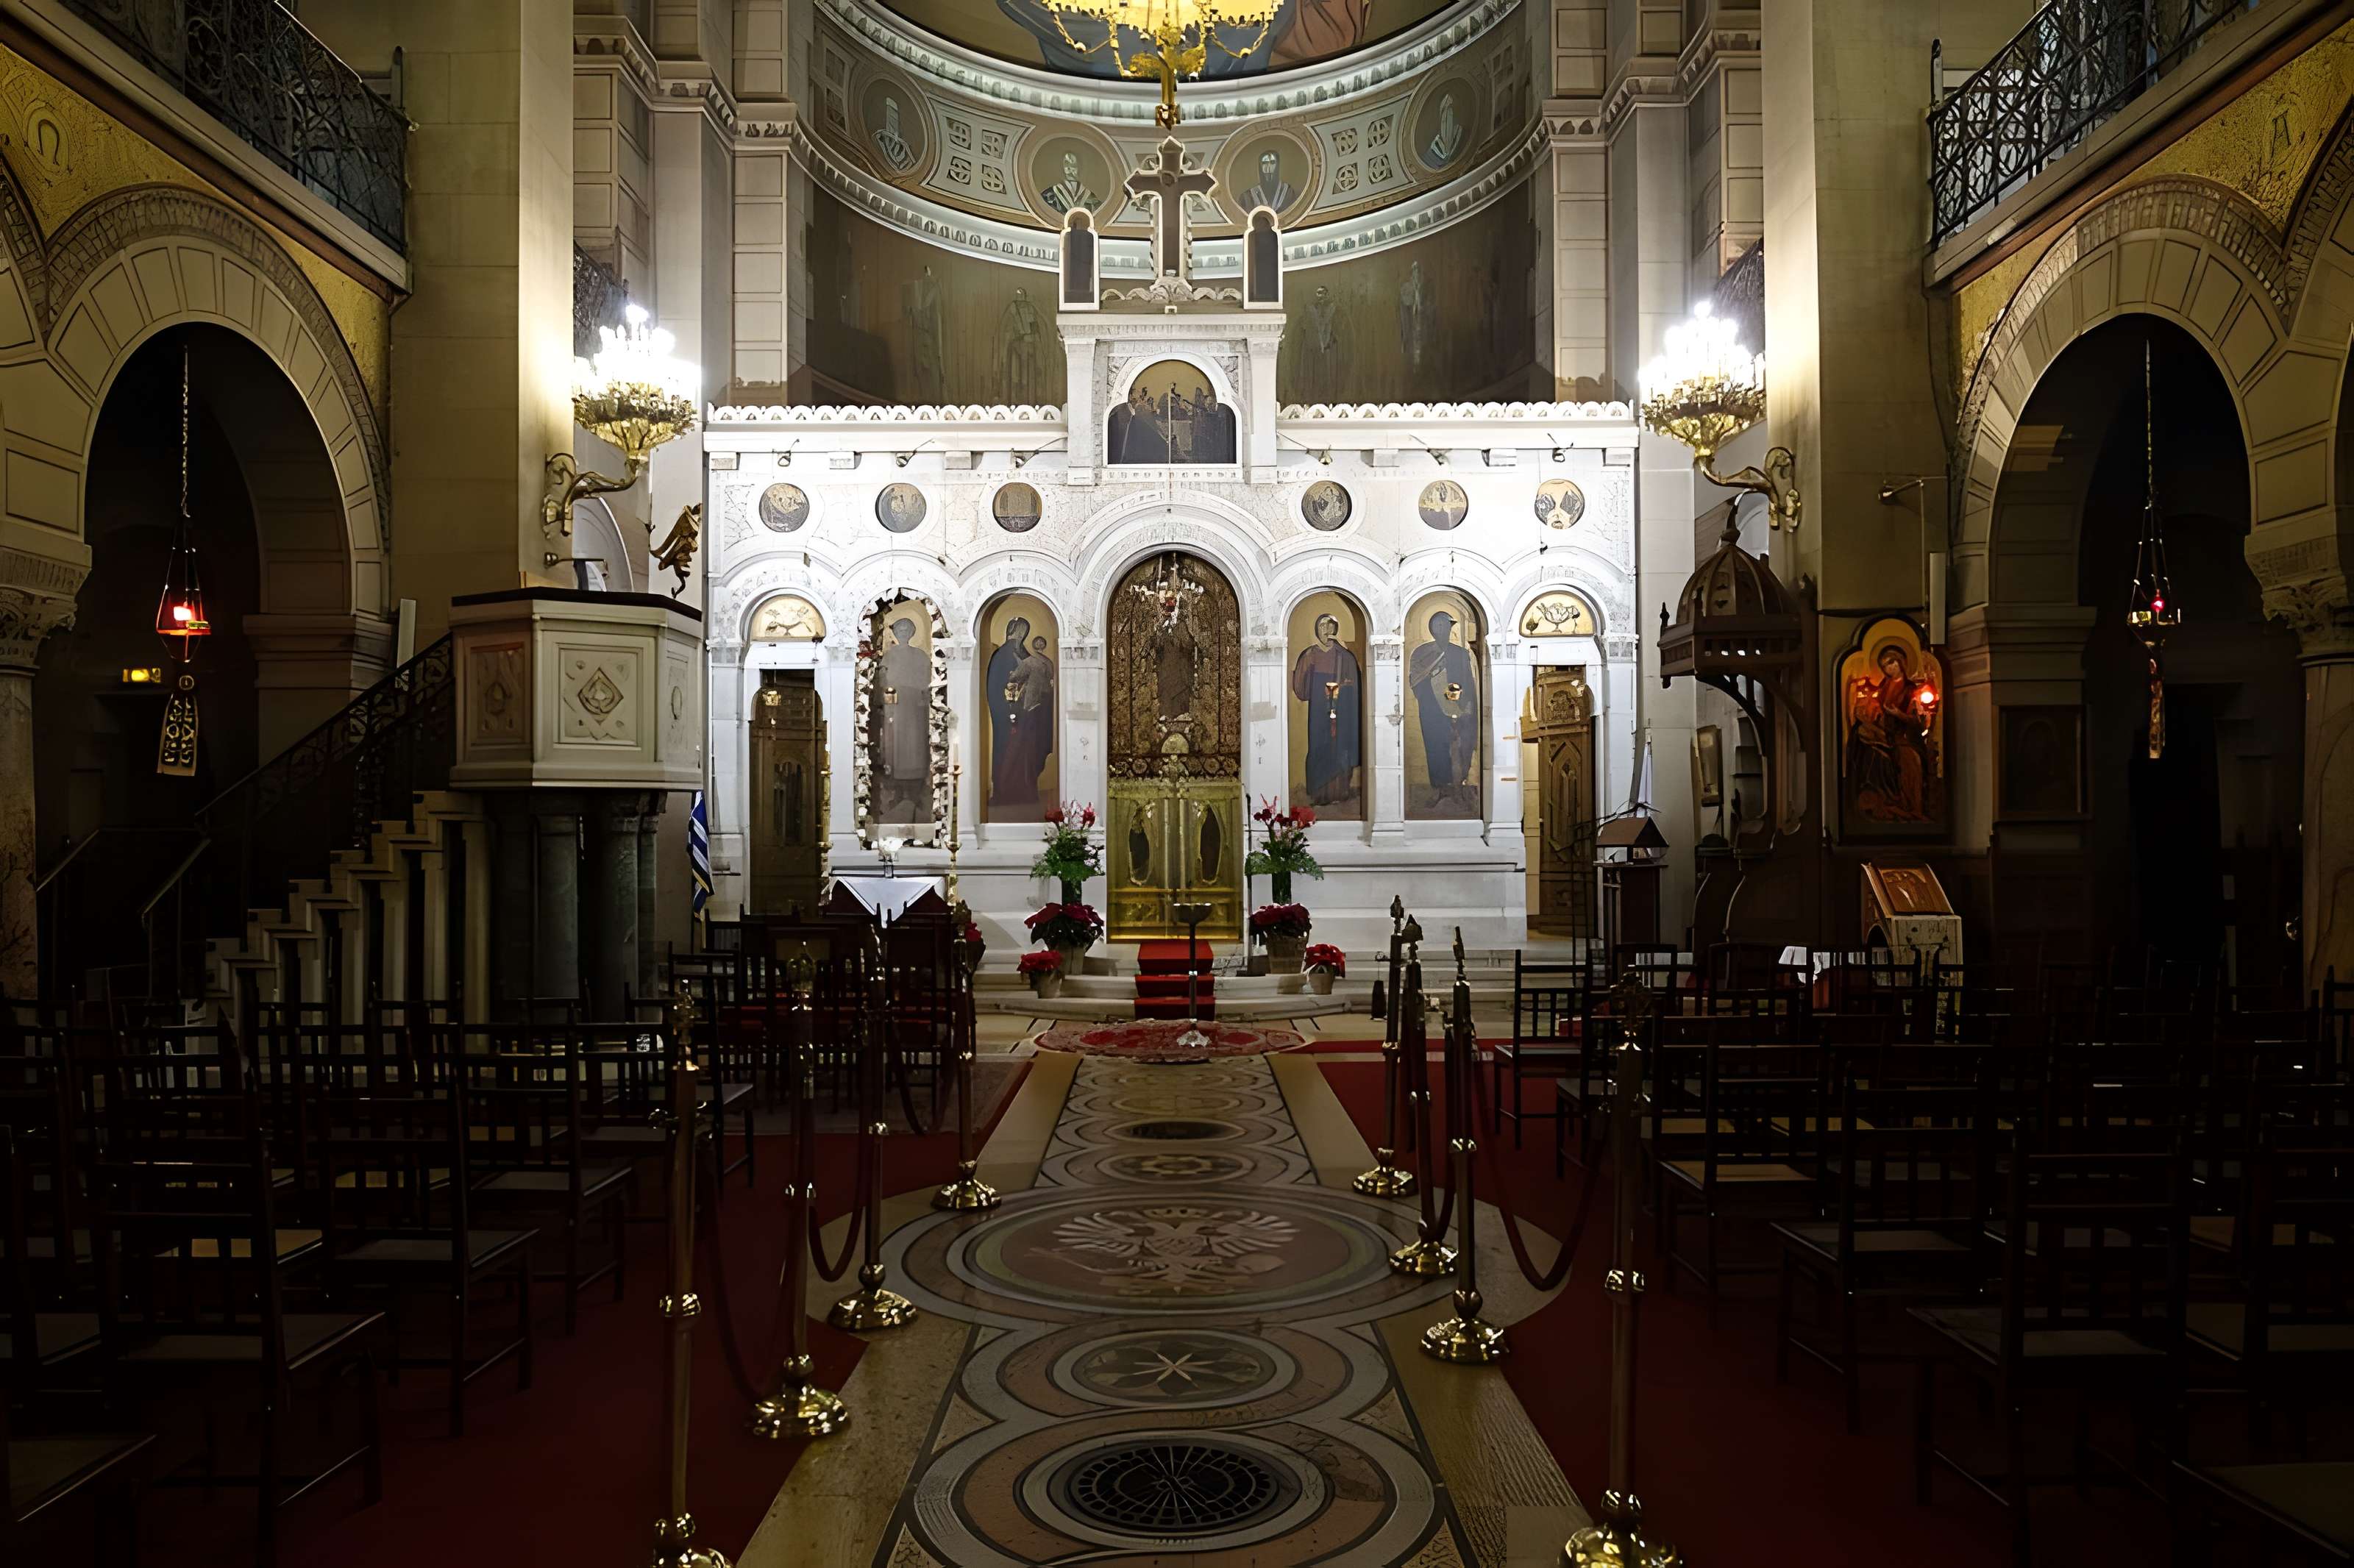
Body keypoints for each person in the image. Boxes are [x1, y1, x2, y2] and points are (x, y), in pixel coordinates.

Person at [1845, 642, 1936, 822]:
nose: (1890, 668)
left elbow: (1916, 721)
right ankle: (1876, 798)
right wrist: (1872, 713)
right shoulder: (1883, 686)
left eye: (1892, 662)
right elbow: (1875, 706)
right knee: (1863, 738)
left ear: (1901, 662)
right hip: (1883, 731)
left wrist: (1898, 714)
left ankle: (1910, 805)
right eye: (1885, 665)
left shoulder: (1912, 689)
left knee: (1910, 760)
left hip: (1903, 735)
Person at [1407, 610, 1479, 810]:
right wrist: (1434, 676)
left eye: (1446, 625)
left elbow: (1467, 681)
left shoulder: (1460, 653)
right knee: (1436, 748)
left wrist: (1463, 705)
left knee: (1459, 748)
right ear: (1432, 628)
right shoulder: (1422, 653)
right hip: (1432, 710)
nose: (1442, 629)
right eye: (1438, 625)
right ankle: (1439, 788)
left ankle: (1458, 787)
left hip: (1459, 709)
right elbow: (1415, 680)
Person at [1290, 613, 1362, 810]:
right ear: (1316, 630)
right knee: (1319, 746)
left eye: (1330, 626)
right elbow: (1301, 688)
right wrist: (1306, 670)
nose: (1326, 631)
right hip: (1318, 712)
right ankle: (1319, 793)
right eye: (1322, 627)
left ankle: (1340, 792)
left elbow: (1354, 685)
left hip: (1342, 711)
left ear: (1335, 629)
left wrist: (1343, 689)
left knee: (1339, 746)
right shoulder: (1310, 655)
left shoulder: (1345, 657)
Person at [876, 616, 932, 819]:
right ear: (895, 633)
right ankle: (899, 792)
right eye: (899, 630)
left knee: (915, 745)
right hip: (896, 707)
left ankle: (916, 791)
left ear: (912, 633)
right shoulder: (889, 656)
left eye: (907, 630)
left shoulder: (921, 656)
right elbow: (884, 682)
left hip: (916, 708)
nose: (903, 634)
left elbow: (926, 682)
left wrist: (923, 699)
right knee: (897, 746)